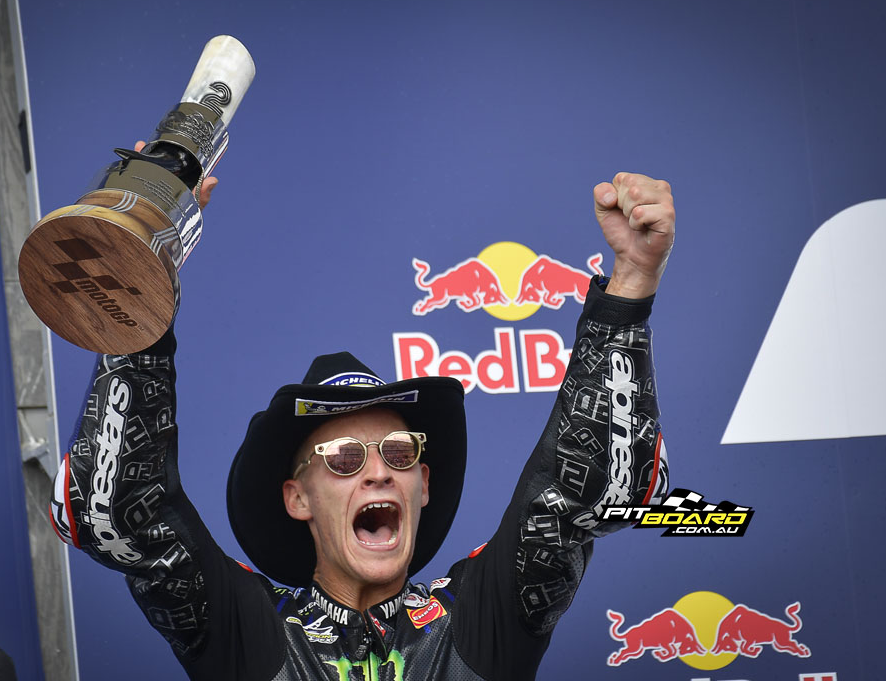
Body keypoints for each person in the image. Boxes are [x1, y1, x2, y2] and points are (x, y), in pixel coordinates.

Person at [50, 169, 675, 680]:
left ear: (423, 485)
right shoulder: (249, 633)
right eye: (346, 458)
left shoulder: (481, 616)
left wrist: (631, 281)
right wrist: (138, 278)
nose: (378, 472)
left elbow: (588, 492)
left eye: (399, 453)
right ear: (297, 497)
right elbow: (119, 513)